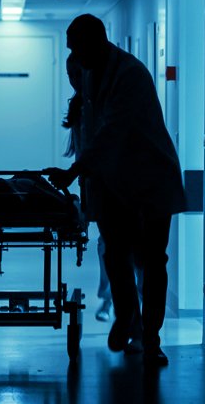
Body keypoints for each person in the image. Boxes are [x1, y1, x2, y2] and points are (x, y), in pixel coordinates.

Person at [49, 14, 187, 366]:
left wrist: (75, 171)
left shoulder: (130, 74)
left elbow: (113, 131)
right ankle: (127, 316)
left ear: (97, 41)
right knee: (115, 254)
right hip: (114, 182)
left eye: (77, 49)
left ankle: (151, 339)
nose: (75, 58)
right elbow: (93, 135)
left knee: (154, 261)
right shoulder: (92, 73)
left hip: (151, 179)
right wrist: (84, 184)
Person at [61, 53, 145, 352]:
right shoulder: (81, 107)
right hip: (102, 190)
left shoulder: (111, 99)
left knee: (136, 258)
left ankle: (138, 327)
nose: (75, 81)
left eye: (77, 75)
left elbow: (100, 148)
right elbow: (84, 155)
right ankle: (127, 317)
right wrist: (85, 205)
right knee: (113, 253)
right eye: (70, 76)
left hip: (130, 189)